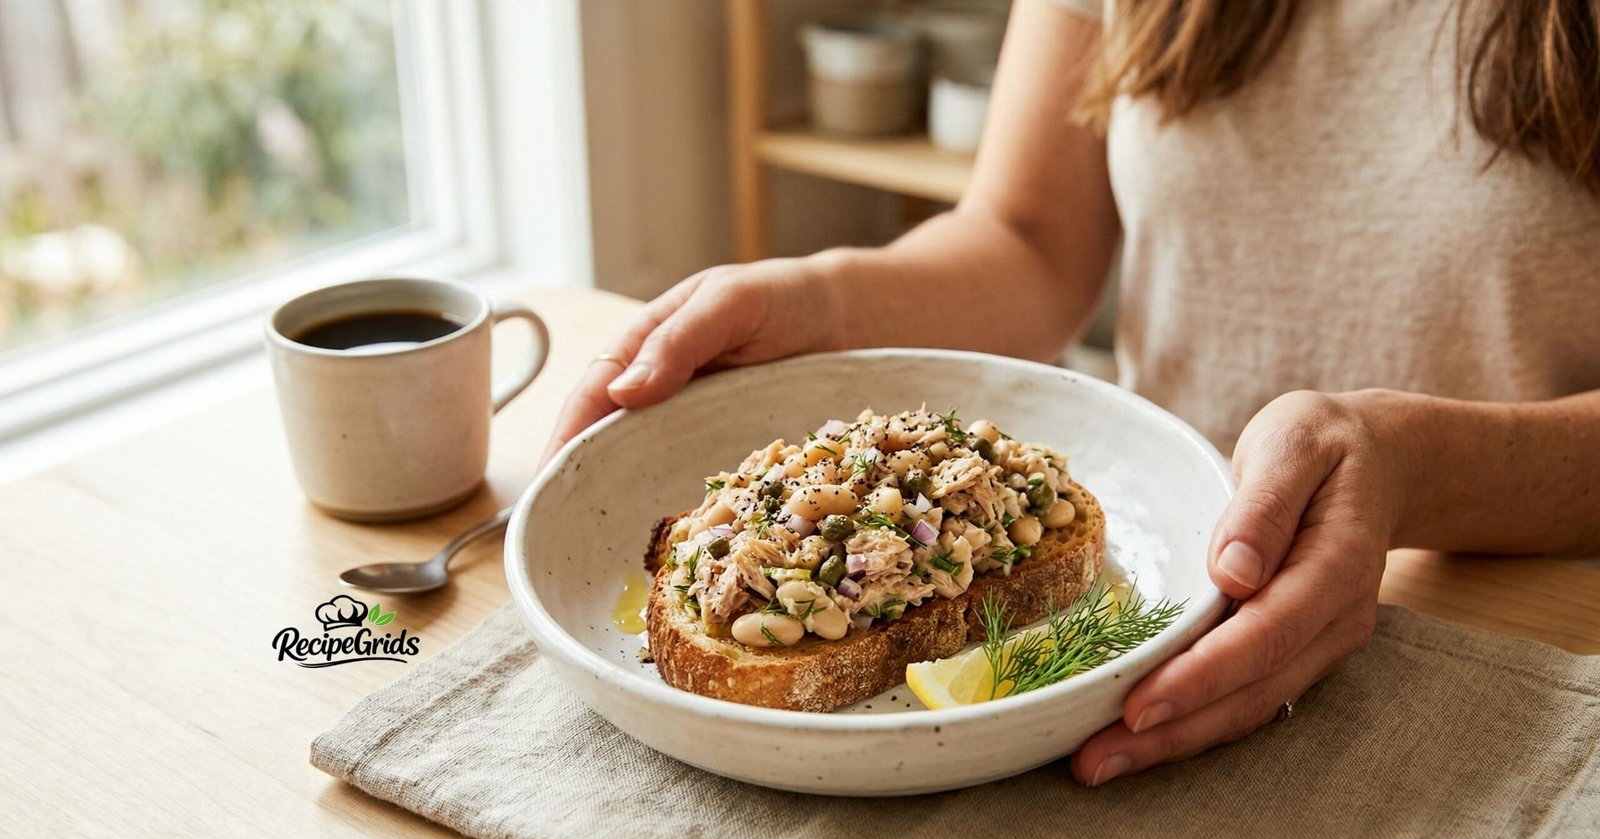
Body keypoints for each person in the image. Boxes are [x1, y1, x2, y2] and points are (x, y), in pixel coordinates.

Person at [546, 0, 1600, 786]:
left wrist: (1417, 467)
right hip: (1157, 597)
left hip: (1518, 633)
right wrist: (825, 296)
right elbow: (1030, 240)